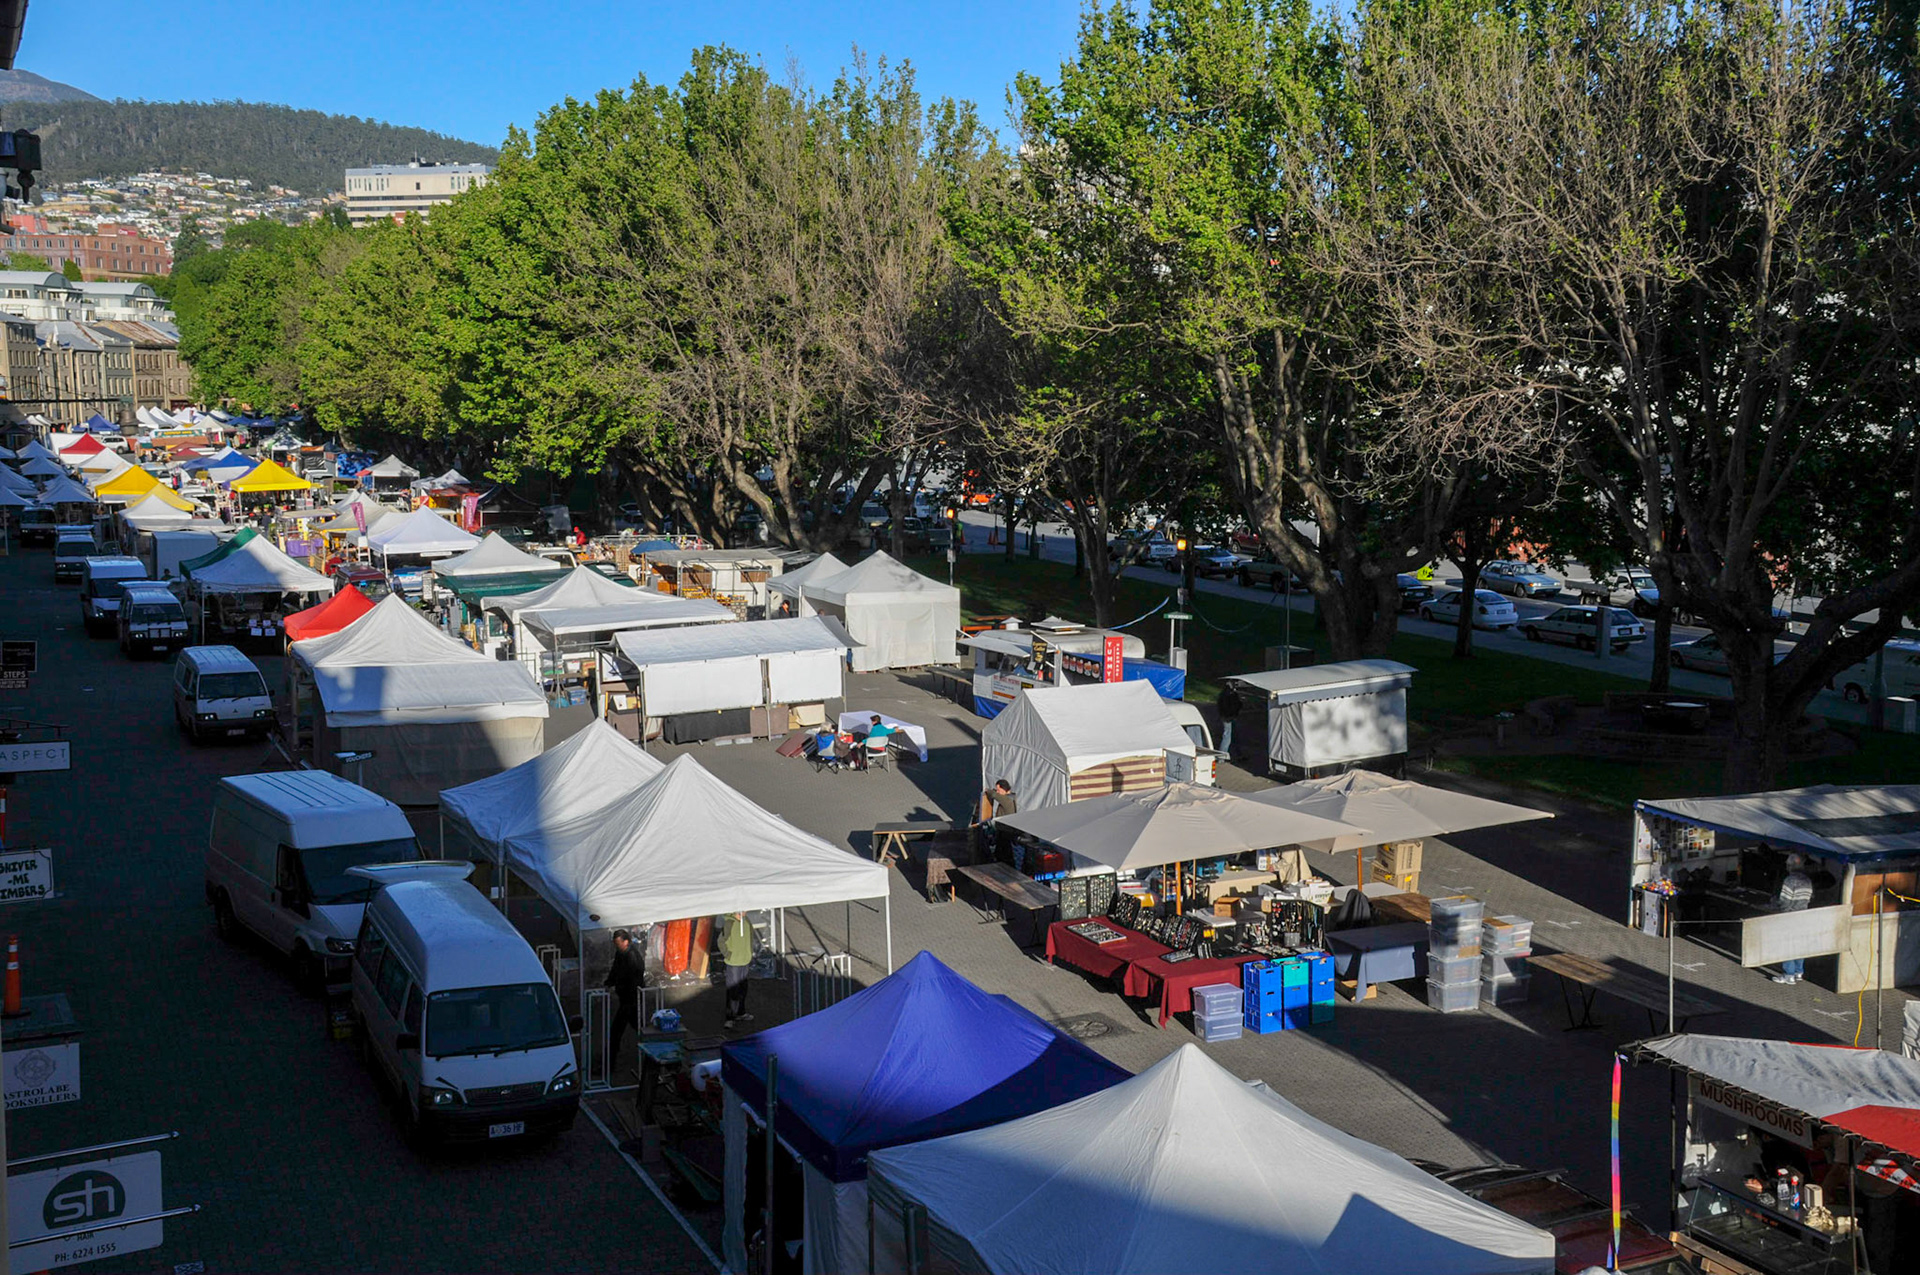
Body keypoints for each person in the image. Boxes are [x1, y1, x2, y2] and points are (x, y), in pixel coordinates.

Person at [604, 928, 643, 1074]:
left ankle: (610, 1064)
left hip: (629, 999)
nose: (616, 946)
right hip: (628, 999)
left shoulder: (631, 956)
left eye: (618, 943)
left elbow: (632, 978)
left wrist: (616, 985)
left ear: (625, 942)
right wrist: (609, 982)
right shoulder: (623, 953)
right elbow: (615, 970)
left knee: (616, 1031)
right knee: (638, 1026)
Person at [1771, 853, 1814, 983]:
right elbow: (1810, 897)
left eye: (1787, 864)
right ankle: (1798, 972)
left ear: (1791, 866)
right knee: (1800, 944)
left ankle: (1788, 974)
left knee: (1788, 945)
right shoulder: (1807, 880)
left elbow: (1785, 901)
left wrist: (1777, 905)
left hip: (1790, 916)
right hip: (1803, 915)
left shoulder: (1789, 880)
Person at [721, 912, 755, 1027]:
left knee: (743, 989)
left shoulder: (746, 921)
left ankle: (741, 1012)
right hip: (734, 962)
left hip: (745, 960)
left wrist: (749, 952)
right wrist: (728, 955)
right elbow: (721, 941)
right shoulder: (729, 923)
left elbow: (751, 937)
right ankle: (729, 1018)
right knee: (733, 990)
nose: (745, 911)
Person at [1216, 682, 1245, 762]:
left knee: (1231, 736)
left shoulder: (1222, 695)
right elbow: (1238, 705)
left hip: (1225, 716)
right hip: (1230, 716)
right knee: (1229, 736)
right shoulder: (1232, 695)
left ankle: (1238, 754)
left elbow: (1220, 706)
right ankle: (1222, 757)